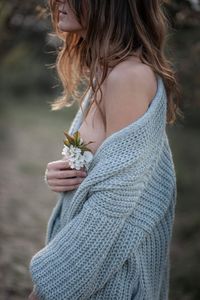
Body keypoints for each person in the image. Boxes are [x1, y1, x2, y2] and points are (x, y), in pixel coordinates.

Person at [28, 0, 181, 299]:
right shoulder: (105, 74)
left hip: (110, 278)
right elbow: (111, 176)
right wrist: (62, 175)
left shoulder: (128, 77)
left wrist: (48, 286)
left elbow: (113, 203)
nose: (58, 2)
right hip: (95, 270)